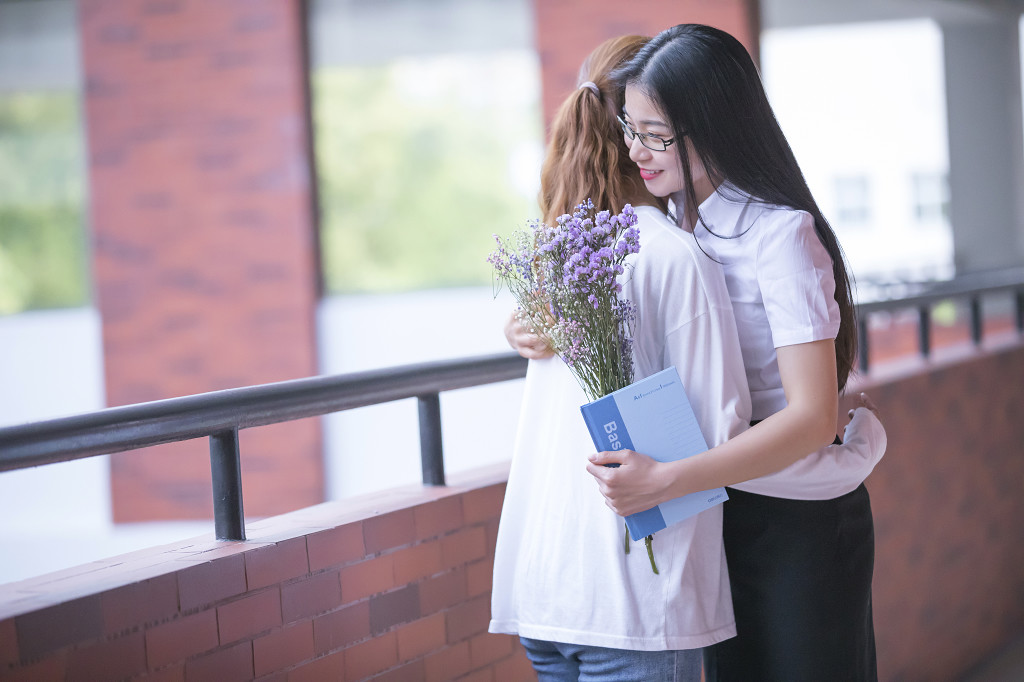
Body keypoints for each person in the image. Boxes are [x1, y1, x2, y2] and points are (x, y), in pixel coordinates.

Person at [579, 24, 883, 681]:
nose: (637, 150)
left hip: (793, 520)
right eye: (630, 129)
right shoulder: (662, 224)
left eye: (656, 134)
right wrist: (526, 327)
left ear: (712, 124)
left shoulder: (779, 237)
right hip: (710, 511)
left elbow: (810, 418)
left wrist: (667, 479)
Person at [488, 34, 752, 682]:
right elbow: (721, 432)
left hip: (548, 591)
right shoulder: (674, 258)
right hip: (635, 604)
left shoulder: (556, 257)